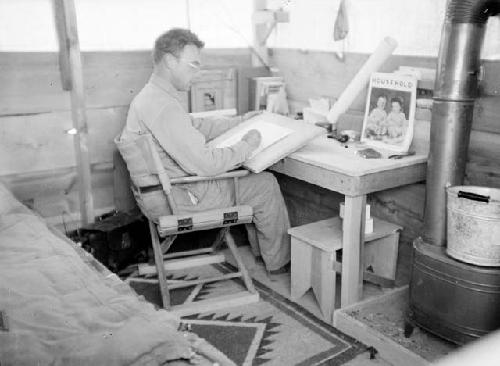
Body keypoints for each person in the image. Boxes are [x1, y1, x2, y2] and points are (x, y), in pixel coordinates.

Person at [116, 28, 290, 274]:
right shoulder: (163, 107)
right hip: (178, 199)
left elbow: (195, 126)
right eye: (193, 65)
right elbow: (207, 165)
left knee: (249, 179)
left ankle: (264, 255)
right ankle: (277, 264)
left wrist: (240, 121)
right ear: (169, 61)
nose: (197, 74)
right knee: (265, 183)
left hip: (157, 195)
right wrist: (247, 145)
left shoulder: (151, 97)